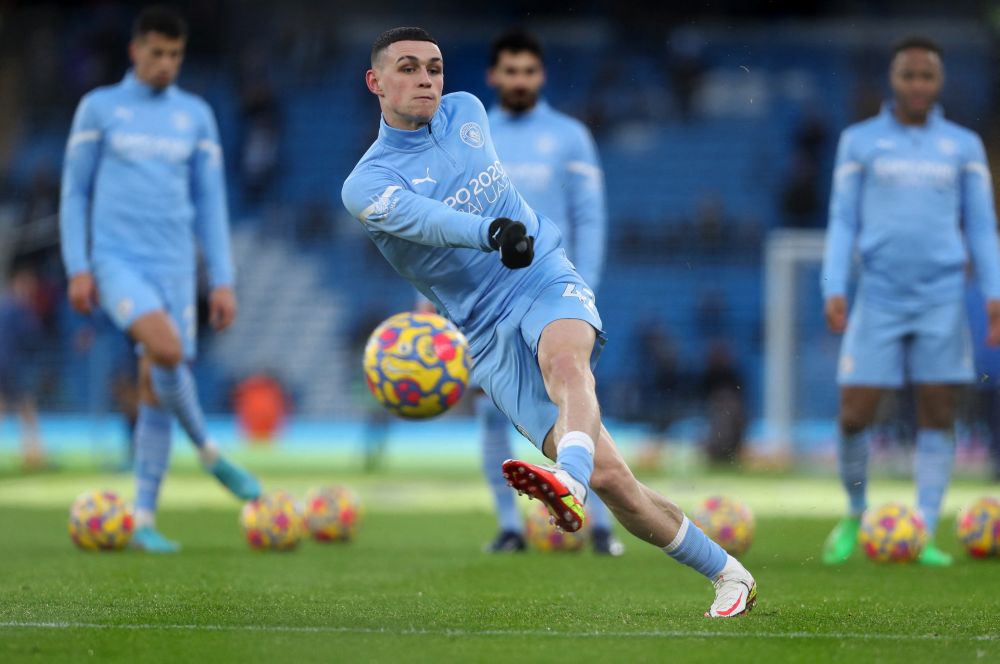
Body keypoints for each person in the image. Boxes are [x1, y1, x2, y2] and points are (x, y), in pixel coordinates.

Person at [342, 26, 756, 617]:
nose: (426, 80)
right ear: (374, 82)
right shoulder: (365, 184)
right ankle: (729, 574)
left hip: (540, 274)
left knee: (566, 363)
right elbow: (430, 220)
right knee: (619, 481)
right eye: (407, 69)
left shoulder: (466, 109)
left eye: (434, 68)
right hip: (484, 333)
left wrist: (513, 236)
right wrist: (491, 232)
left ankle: (569, 483)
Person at [60, 6, 261, 553]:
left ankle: (144, 517)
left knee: (155, 387)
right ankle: (213, 455)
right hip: (117, 261)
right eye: (156, 53)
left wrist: (222, 279)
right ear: (135, 52)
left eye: (175, 55)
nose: (166, 64)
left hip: (176, 267)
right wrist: (78, 264)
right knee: (167, 350)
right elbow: (75, 191)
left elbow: (211, 202)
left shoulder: (194, 115)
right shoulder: (100, 108)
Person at [821, 36, 1000, 566]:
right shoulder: (860, 141)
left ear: (939, 82)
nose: (918, 85)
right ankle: (856, 513)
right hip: (878, 292)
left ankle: (922, 529)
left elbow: (983, 226)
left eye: (927, 76)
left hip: (942, 296)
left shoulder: (963, 146)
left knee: (937, 410)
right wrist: (834, 284)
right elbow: (843, 219)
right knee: (855, 411)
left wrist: (993, 292)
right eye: (908, 75)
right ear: (892, 80)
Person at [474, 29, 622, 555]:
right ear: (494, 76)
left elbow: (591, 219)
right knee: (492, 411)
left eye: (529, 71)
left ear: (542, 76)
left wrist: (588, 290)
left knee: (576, 401)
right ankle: (509, 526)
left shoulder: (570, 137)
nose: (519, 80)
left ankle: (600, 525)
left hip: (555, 296)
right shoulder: (474, 135)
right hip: (488, 300)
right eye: (510, 71)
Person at [0, 265, 46, 470]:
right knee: (27, 410)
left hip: (8, 365)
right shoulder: (19, 309)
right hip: (12, 366)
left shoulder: (5, 306)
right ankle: (33, 456)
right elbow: (32, 337)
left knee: (15, 409)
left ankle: (33, 456)